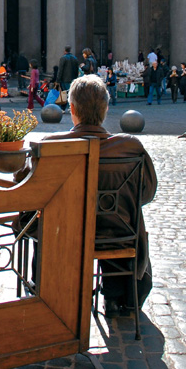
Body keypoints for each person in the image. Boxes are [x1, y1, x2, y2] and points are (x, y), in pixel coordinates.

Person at [31, 75, 158, 317]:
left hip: (65, 234)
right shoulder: (130, 146)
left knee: (50, 221)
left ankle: (50, 291)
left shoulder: (51, 145)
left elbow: (34, 193)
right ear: (106, 110)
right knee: (116, 220)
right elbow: (147, 192)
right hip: (118, 233)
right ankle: (116, 295)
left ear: (72, 109)